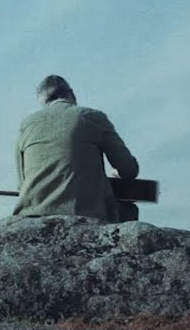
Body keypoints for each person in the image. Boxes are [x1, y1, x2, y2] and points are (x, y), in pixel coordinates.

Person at [12, 75, 140, 222]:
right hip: (83, 214)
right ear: (72, 93)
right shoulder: (92, 117)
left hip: (30, 214)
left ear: (42, 100)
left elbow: (21, 184)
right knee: (128, 209)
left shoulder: (26, 124)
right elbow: (129, 169)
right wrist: (118, 173)